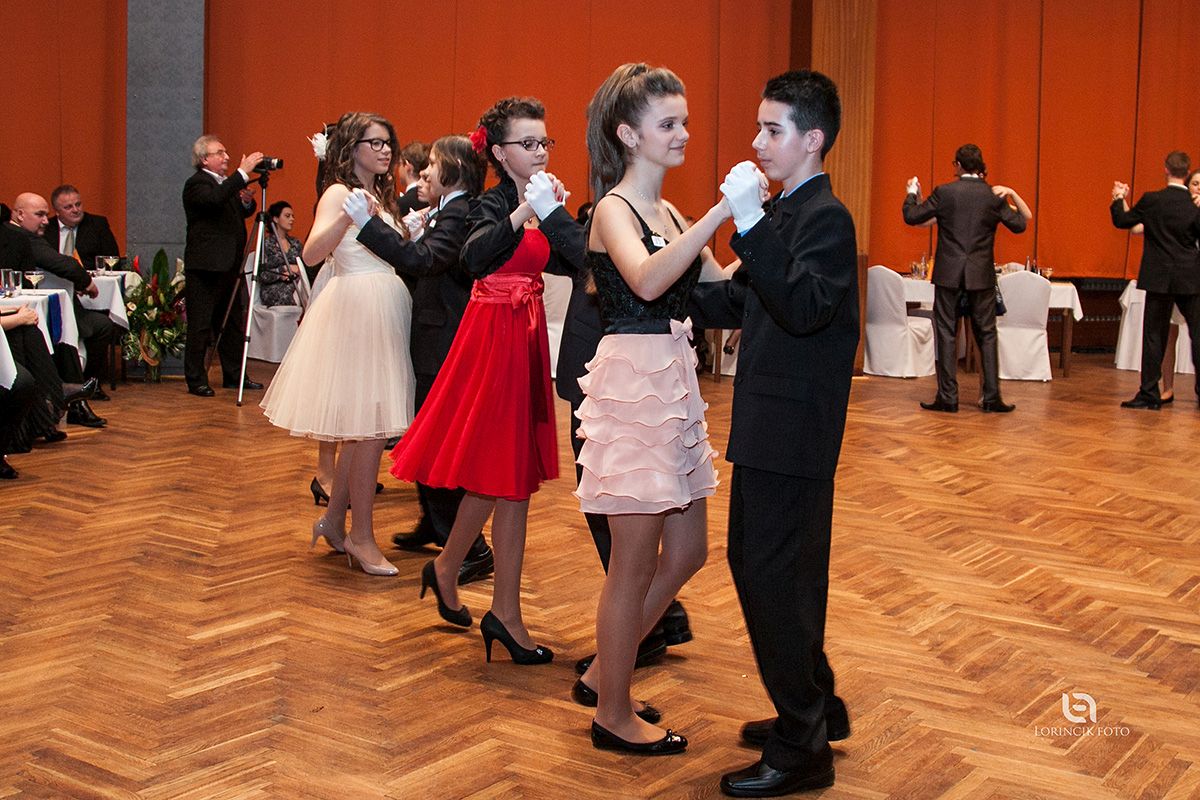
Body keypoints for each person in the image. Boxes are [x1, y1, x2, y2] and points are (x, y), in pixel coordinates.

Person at [689, 69, 858, 797]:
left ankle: (802, 747)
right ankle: (816, 709)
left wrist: (750, 223)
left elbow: (805, 306)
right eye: (758, 127)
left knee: (773, 575)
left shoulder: (825, 217)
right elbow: (743, 299)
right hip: (772, 422)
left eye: (772, 129)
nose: (758, 142)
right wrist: (657, 285)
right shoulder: (788, 212)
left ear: (812, 139)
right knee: (775, 571)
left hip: (794, 430)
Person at [390, 96, 583, 665]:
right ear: (499, 153)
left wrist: (559, 216)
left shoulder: (544, 198)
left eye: (545, 141)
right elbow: (473, 258)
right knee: (507, 477)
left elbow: (571, 261)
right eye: (529, 143)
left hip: (524, 338)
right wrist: (526, 212)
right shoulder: (490, 203)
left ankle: (453, 570)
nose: (541, 151)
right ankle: (502, 611)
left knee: (507, 475)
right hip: (492, 338)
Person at [573, 63, 725, 757]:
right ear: (629, 134)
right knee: (631, 566)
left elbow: (720, 287)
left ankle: (605, 675)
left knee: (688, 551)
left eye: (684, 121)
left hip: (674, 383)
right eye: (669, 123)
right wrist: (721, 215)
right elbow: (646, 278)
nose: (683, 133)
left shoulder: (673, 215)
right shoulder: (613, 209)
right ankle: (612, 713)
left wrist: (773, 226)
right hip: (634, 384)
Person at [261, 111, 415, 575]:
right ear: (352, 149)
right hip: (358, 309)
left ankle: (333, 521)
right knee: (369, 430)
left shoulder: (381, 195)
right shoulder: (338, 193)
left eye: (388, 143)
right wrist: (349, 217)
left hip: (383, 306)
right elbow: (311, 253)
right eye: (375, 143)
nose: (385, 150)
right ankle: (361, 537)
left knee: (363, 429)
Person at [346, 134, 495, 584]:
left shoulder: (459, 211)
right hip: (435, 335)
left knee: (435, 441)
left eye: (432, 163)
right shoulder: (448, 210)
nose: (424, 171)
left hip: (442, 339)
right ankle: (434, 523)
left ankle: (471, 548)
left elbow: (426, 261)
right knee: (425, 436)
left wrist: (369, 226)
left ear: (454, 170)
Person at [903, 144, 1031, 413]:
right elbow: (1020, 224)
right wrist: (1011, 192)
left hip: (948, 273)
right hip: (981, 274)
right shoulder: (992, 196)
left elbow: (912, 216)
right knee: (987, 335)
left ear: (958, 165)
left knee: (946, 333)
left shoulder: (945, 192)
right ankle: (992, 397)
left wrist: (912, 193)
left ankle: (948, 397)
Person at [8, 193, 112, 426]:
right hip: (20, 312)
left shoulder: (19, 233)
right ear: (20, 214)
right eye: (40, 215)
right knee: (61, 332)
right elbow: (60, 263)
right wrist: (85, 281)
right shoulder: (19, 236)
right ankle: (70, 400)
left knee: (69, 329)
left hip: (33, 309)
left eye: (46, 215)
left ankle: (70, 397)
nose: (46, 221)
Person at [1111, 151, 1200, 409]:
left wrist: (1119, 198)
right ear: (1187, 173)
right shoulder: (1193, 206)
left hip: (1158, 277)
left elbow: (1123, 221)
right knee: (1197, 334)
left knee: (1153, 335)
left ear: (1166, 169)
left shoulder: (1152, 200)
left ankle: (1149, 393)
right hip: (1189, 277)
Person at [182, 134, 265, 397]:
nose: (226, 157)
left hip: (229, 265)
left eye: (226, 152)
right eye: (220, 152)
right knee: (200, 325)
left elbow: (236, 212)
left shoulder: (224, 184)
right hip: (205, 267)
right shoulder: (197, 184)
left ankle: (234, 375)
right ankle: (196, 379)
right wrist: (242, 173)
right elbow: (214, 201)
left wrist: (246, 201)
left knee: (231, 324)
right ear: (204, 159)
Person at [43, 185, 120, 269]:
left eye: (78, 204)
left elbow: (112, 260)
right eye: (68, 207)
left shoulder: (97, 224)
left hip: (89, 276)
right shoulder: (46, 227)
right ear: (57, 211)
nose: (75, 210)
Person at [257, 201, 304, 307]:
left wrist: (297, 271)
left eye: (292, 216)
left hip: (296, 283)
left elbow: (305, 266)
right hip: (274, 288)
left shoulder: (295, 243)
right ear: (276, 219)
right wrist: (284, 270)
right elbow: (262, 275)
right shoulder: (267, 244)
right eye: (287, 216)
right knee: (291, 295)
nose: (292, 219)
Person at [396, 141, 431, 215]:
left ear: (407, 166)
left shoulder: (401, 203)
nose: (398, 169)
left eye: (400, 164)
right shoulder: (434, 198)